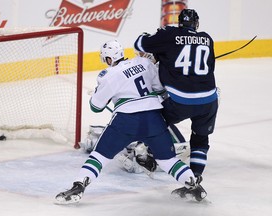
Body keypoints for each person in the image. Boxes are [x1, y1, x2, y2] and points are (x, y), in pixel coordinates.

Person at [55, 39, 207, 204]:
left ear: (107, 59)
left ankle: (78, 187)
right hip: (154, 119)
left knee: (99, 156)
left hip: (126, 121)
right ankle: (195, 186)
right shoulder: (144, 63)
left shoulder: (108, 75)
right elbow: (160, 89)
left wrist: (99, 92)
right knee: (167, 160)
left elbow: (96, 107)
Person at [134, 9, 218, 198]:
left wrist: (153, 38)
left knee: (155, 122)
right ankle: (194, 181)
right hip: (209, 100)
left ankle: (148, 154)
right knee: (200, 139)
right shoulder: (207, 38)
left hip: (180, 100)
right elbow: (209, 66)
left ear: (180, 23)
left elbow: (139, 43)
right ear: (196, 24)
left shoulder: (170, 35)